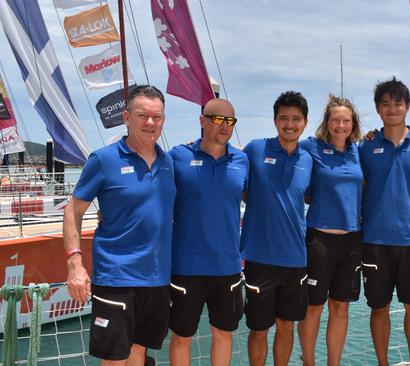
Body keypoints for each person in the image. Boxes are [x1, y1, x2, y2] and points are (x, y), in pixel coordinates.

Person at [63, 85, 176, 365]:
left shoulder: (169, 162)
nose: (150, 123)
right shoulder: (103, 159)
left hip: (158, 279)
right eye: (142, 115)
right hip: (116, 277)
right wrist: (74, 266)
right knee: (114, 359)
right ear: (127, 117)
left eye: (157, 117)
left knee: (139, 353)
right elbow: (72, 211)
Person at [359, 77, 410, 366]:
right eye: (385, 104)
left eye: (398, 103)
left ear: (408, 107)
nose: (392, 109)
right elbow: (359, 187)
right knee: (379, 308)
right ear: (378, 109)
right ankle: (382, 362)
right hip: (374, 241)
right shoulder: (365, 147)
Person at [167, 99, 248, 366]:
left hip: (227, 265)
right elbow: (148, 188)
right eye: (217, 119)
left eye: (230, 121)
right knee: (181, 337)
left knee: (223, 334)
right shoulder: (178, 156)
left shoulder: (242, 160)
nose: (224, 126)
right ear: (202, 120)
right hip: (186, 265)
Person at [241, 91, 313, 366]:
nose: (290, 124)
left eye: (296, 119)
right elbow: (239, 184)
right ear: (274, 121)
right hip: (259, 257)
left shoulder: (309, 159)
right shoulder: (255, 149)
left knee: (287, 326)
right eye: (284, 118)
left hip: (296, 258)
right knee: (258, 329)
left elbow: (310, 196)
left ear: (305, 123)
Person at [297, 95, 364, 366]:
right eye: (335, 119)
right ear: (326, 122)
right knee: (313, 308)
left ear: (353, 124)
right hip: (319, 241)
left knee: (340, 307)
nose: (340, 125)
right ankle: (309, 362)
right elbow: (284, 147)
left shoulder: (359, 150)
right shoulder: (311, 147)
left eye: (346, 120)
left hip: (352, 241)